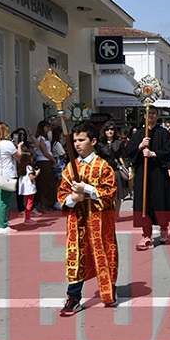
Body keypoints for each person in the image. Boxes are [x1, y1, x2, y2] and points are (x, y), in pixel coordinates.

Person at [57, 121, 120, 316]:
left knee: (105, 252)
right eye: (75, 140)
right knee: (75, 255)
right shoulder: (70, 167)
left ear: (92, 141)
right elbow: (61, 195)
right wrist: (72, 199)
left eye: (81, 140)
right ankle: (73, 296)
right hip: (77, 221)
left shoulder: (103, 167)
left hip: (100, 221)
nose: (77, 144)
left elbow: (110, 193)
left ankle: (109, 289)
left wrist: (88, 190)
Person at [125, 105, 170, 250]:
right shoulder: (139, 133)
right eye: (149, 113)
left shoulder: (164, 133)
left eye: (154, 113)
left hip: (158, 174)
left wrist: (154, 154)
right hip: (143, 173)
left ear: (158, 116)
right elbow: (129, 152)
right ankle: (146, 234)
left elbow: (169, 152)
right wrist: (140, 146)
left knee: (160, 202)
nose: (151, 116)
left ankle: (163, 229)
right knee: (144, 204)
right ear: (144, 116)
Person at [0, 122, 23, 234]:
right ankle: (1, 226)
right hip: (6, 174)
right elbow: (19, 157)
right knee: (4, 200)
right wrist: (19, 147)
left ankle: (1, 222)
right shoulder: (7, 144)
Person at [97, 121, 128, 213]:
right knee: (105, 193)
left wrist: (128, 168)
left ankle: (117, 213)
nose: (110, 131)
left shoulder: (119, 143)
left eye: (112, 129)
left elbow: (125, 156)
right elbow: (98, 157)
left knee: (118, 194)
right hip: (104, 171)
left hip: (116, 170)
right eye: (107, 129)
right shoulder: (100, 144)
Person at [32, 120, 57, 211]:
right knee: (44, 184)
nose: (48, 129)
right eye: (46, 127)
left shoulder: (45, 138)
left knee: (48, 183)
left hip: (46, 162)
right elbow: (45, 152)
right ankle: (42, 204)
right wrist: (53, 159)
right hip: (43, 162)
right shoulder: (41, 139)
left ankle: (47, 203)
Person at [18, 150, 39, 225]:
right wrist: (36, 173)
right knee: (30, 202)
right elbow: (32, 177)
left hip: (24, 188)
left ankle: (27, 217)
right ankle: (27, 218)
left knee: (28, 202)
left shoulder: (21, 168)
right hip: (30, 187)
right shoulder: (29, 167)